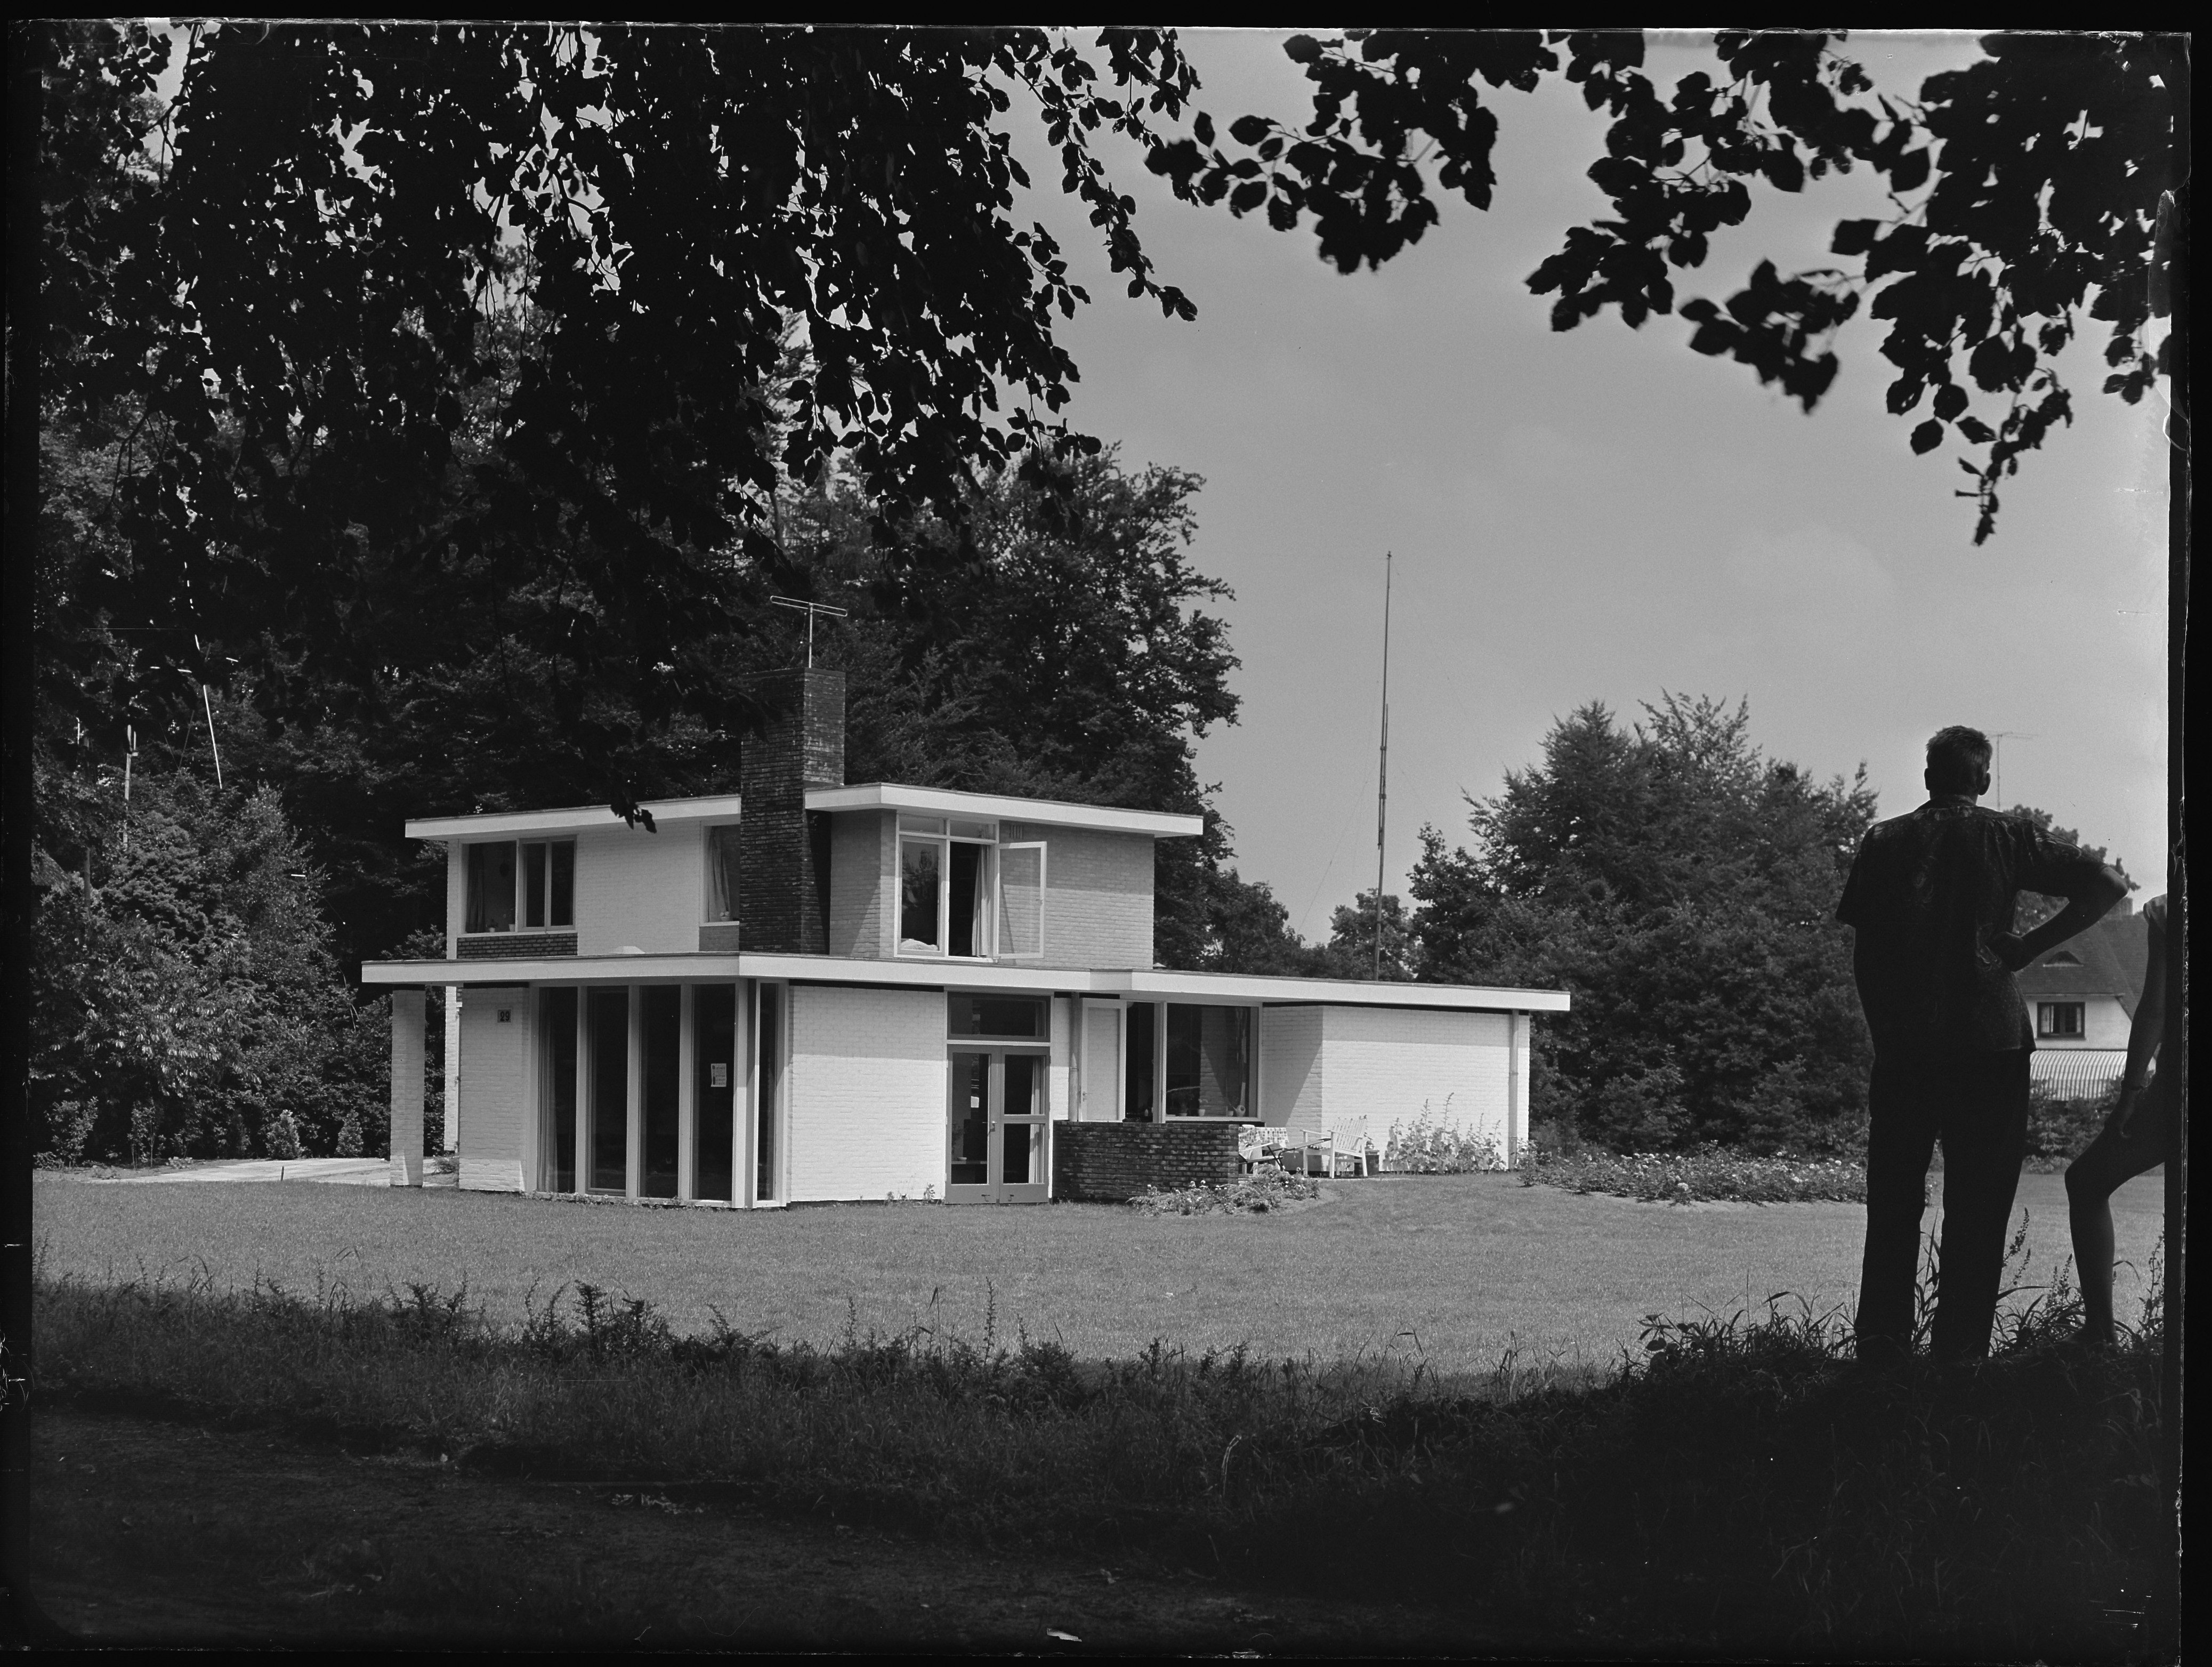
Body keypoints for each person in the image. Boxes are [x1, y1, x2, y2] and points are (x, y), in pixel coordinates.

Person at [1836, 726, 2129, 1363]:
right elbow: (2106, 882)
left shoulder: (1883, 840)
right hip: (1989, 1041)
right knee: (1979, 1204)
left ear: (1927, 777)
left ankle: (1881, 1354)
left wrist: (1885, 1029)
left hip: (1907, 1043)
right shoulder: (2008, 835)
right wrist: (2030, 946)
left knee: (1891, 1202)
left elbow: (1867, 956)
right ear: (1983, 779)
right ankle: (1960, 1358)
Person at [2064, 891, 2173, 1347]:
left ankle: (2101, 1334)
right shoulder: (2169, 910)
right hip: (2176, 1088)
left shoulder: (2174, 907)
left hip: (2178, 1088)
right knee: (2085, 1181)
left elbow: (2154, 1007)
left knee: (2086, 1181)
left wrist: (2130, 1094)